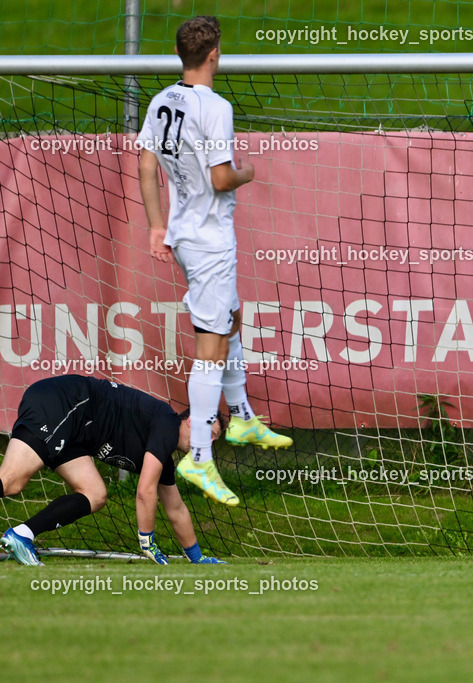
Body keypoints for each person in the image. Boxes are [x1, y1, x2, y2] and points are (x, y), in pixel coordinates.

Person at [138, 15, 292, 507]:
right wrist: (248, 171)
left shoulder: (162, 99)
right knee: (211, 343)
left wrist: (156, 224)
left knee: (229, 318)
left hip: (184, 233)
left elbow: (146, 164)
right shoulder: (216, 107)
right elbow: (222, 178)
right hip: (208, 240)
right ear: (214, 55)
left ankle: (243, 415)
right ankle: (200, 454)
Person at [0, 375, 227, 566]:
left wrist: (197, 559)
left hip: (75, 431)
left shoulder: (161, 454)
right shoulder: (167, 425)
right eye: (210, 433)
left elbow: (176, 509)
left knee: (95, 494)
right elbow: (144, 491)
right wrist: (147, 540)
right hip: (65, 402)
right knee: (10, 481)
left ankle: (22, 535)